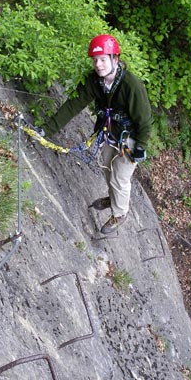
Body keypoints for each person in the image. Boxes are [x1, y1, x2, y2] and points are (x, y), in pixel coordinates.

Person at [37, 34, 152, 234]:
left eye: (103, 59)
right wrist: (47, 129)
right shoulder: (95, 81)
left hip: (130, 139)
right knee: (108, 170)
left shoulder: (131, 86)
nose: (98, 65)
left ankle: (120, 213)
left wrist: (141, 147)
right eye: (95, 60)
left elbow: (144, 120)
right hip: (109, 133)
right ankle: (114, 198)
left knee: (120, 178)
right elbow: (74, 105)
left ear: (114, 59)